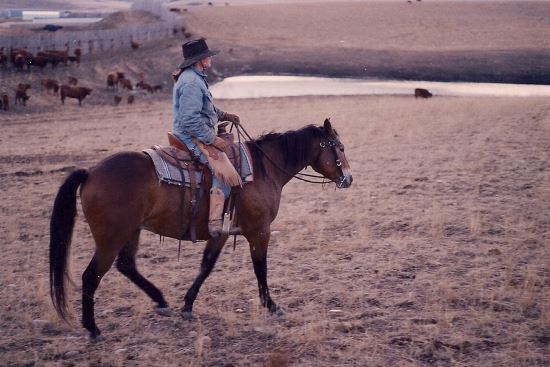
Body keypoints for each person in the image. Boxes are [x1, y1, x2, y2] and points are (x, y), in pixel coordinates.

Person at [172, 38, 241, 237]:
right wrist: (212, 139)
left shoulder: (195, 77)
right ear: (199, 60)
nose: (210, 57)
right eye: (207, 55)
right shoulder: (192, 82)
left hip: (196, 133)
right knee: (224, 173)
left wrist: (224, 115)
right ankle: (214, 223)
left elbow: (205, 107)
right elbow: (189, 120)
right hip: (190, 137)